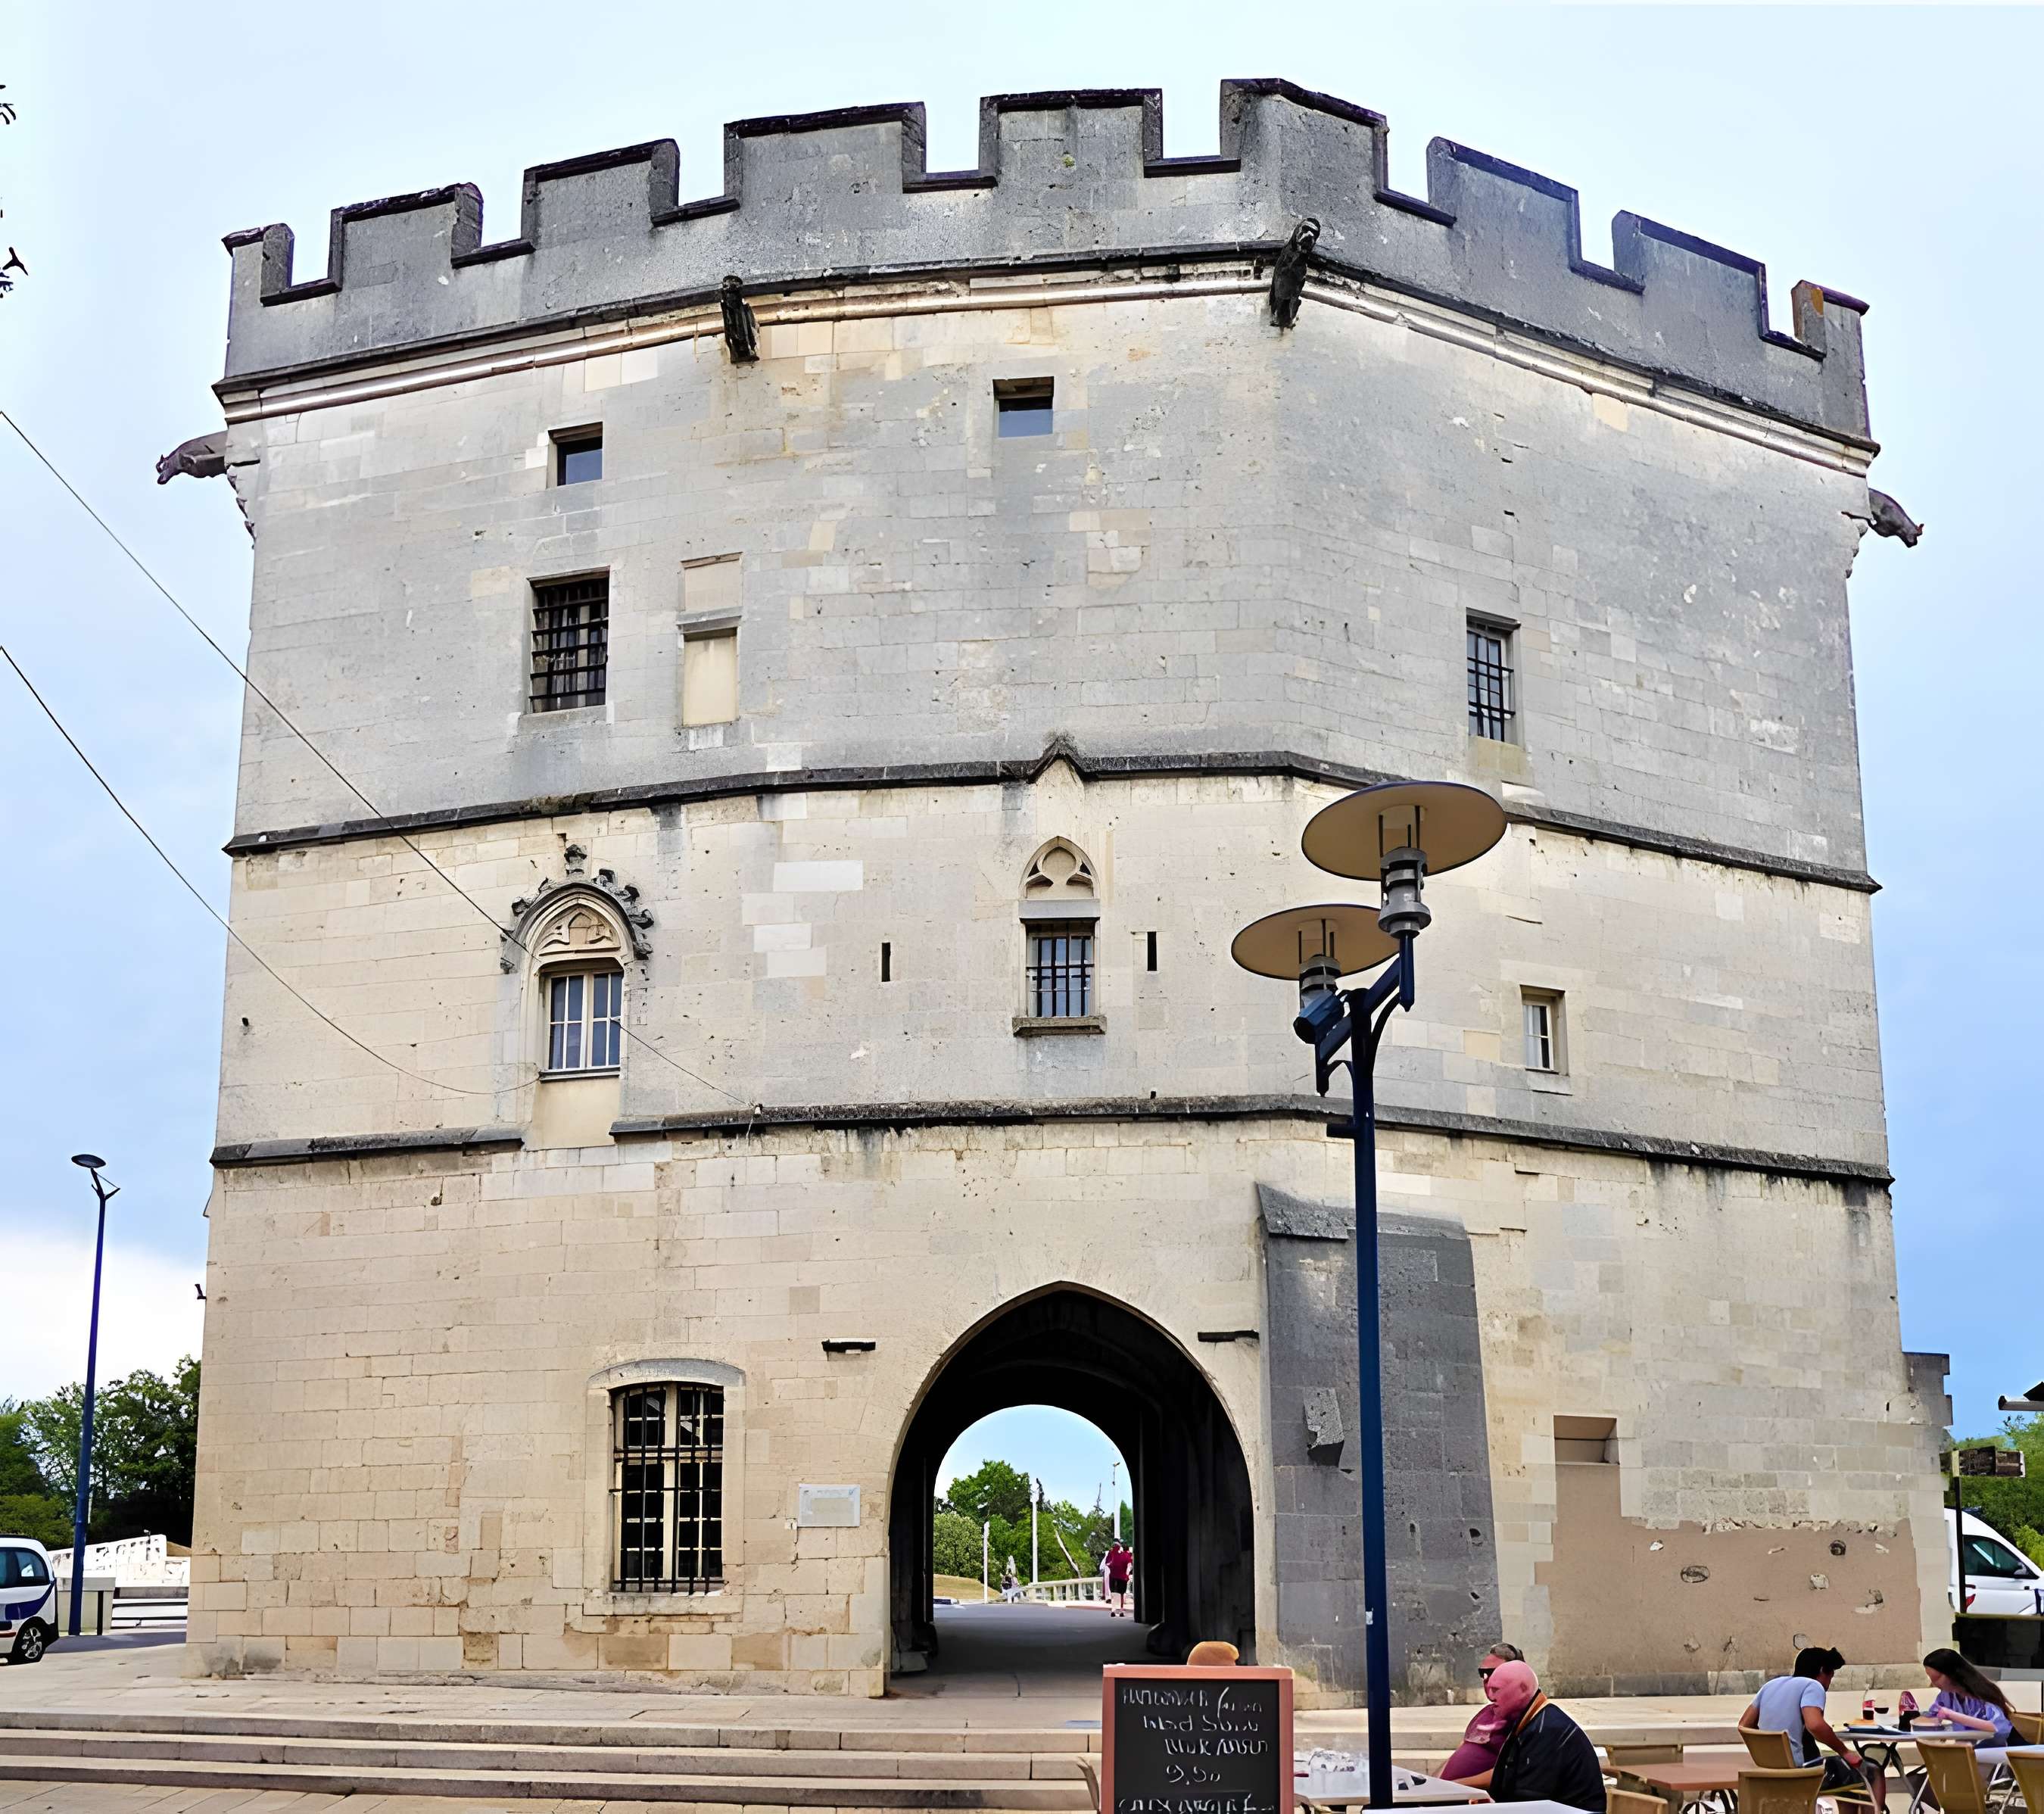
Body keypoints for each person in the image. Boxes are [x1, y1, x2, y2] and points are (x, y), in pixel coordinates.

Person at [1740, 1645, 1888, 1810]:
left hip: (1769, 1769)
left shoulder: (1771, 1685)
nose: (1829, 1684)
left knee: (1846, 1777)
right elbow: (1815, 1725)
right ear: (1822, 1670)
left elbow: (1745, 1725)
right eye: (1831, 1676)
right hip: (1803, 1772)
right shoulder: (1812, 1686)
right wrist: (1844, 1752)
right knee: (1873, 1770)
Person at [1484, 1660, 1606, 1812]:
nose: (1490, 1697)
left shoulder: (1547, 1729)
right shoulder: (1531, 1720)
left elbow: (1529, 1802)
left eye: (1496, 1690)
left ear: (1523, 1689)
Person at [1914, 1647, 2017, 1780]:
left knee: (1947, 1769)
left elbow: (1997, 1727)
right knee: (1936, 1770)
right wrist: (1915, 1718)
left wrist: (1952, 1715)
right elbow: (1933, 1715)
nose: (1934, 1684)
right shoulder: (1948, 1695)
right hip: (1967, 1748)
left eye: (1937, 1678)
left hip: (1993, 1749)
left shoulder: (1982, 1694)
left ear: (1952, 1673)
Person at [1439, 1644, 1526, 1788]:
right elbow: (1462, 1749)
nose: (1487, 1679)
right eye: (1483, 1673)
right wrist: (1433, 1782)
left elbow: (1512, 1772)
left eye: (1494, 1672)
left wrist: (1454, 1786)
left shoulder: (1522, 1718)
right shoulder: (1486, 1712)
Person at [1104, 1540, 1134, 1618]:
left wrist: (1111, 1566)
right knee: (1122, 1594)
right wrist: (1127, 1574)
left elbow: (1107, 1563)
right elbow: (1129, 1565)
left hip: (1113, 1576)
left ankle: (1113, 1610)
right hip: (1122, 1577)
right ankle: (1121, 1610)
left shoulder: (1111, 1553)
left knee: (1113, 1593)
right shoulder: (1126, 1555)